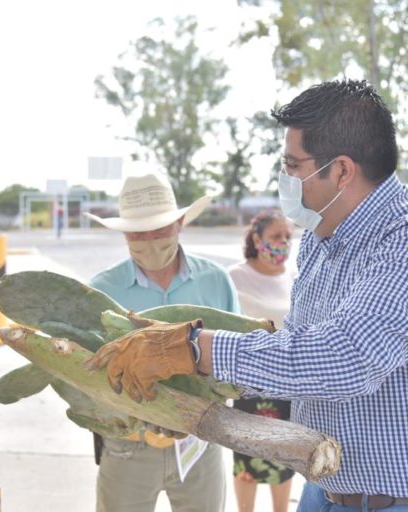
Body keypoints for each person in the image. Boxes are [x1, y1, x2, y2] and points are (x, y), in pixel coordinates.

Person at [88, 80, 408, 512]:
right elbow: (295, 353)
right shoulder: (322, 241)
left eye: (292, 164)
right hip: (327, 487)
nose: (284, 177)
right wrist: (181, 392)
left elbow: (345, 359)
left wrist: (192, 348)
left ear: (341, 171)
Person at [84, 172, 239, 512]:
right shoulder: (100, 290)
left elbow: (237, 362)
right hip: (128, 446)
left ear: (180, 221)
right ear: (124, 232)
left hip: (200, 445)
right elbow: (87, 375)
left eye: (160, 228)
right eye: (139, 233)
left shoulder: (217, 282)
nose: (150, 239)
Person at [227, 209, 295, 512]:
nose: (283, 243)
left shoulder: (294, 277)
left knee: (284, 456)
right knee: (247, 457)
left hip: (289, 385)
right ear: (257, 239)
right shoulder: (235, 277)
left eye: (288, 237)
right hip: (248, 384)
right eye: (276, 236)